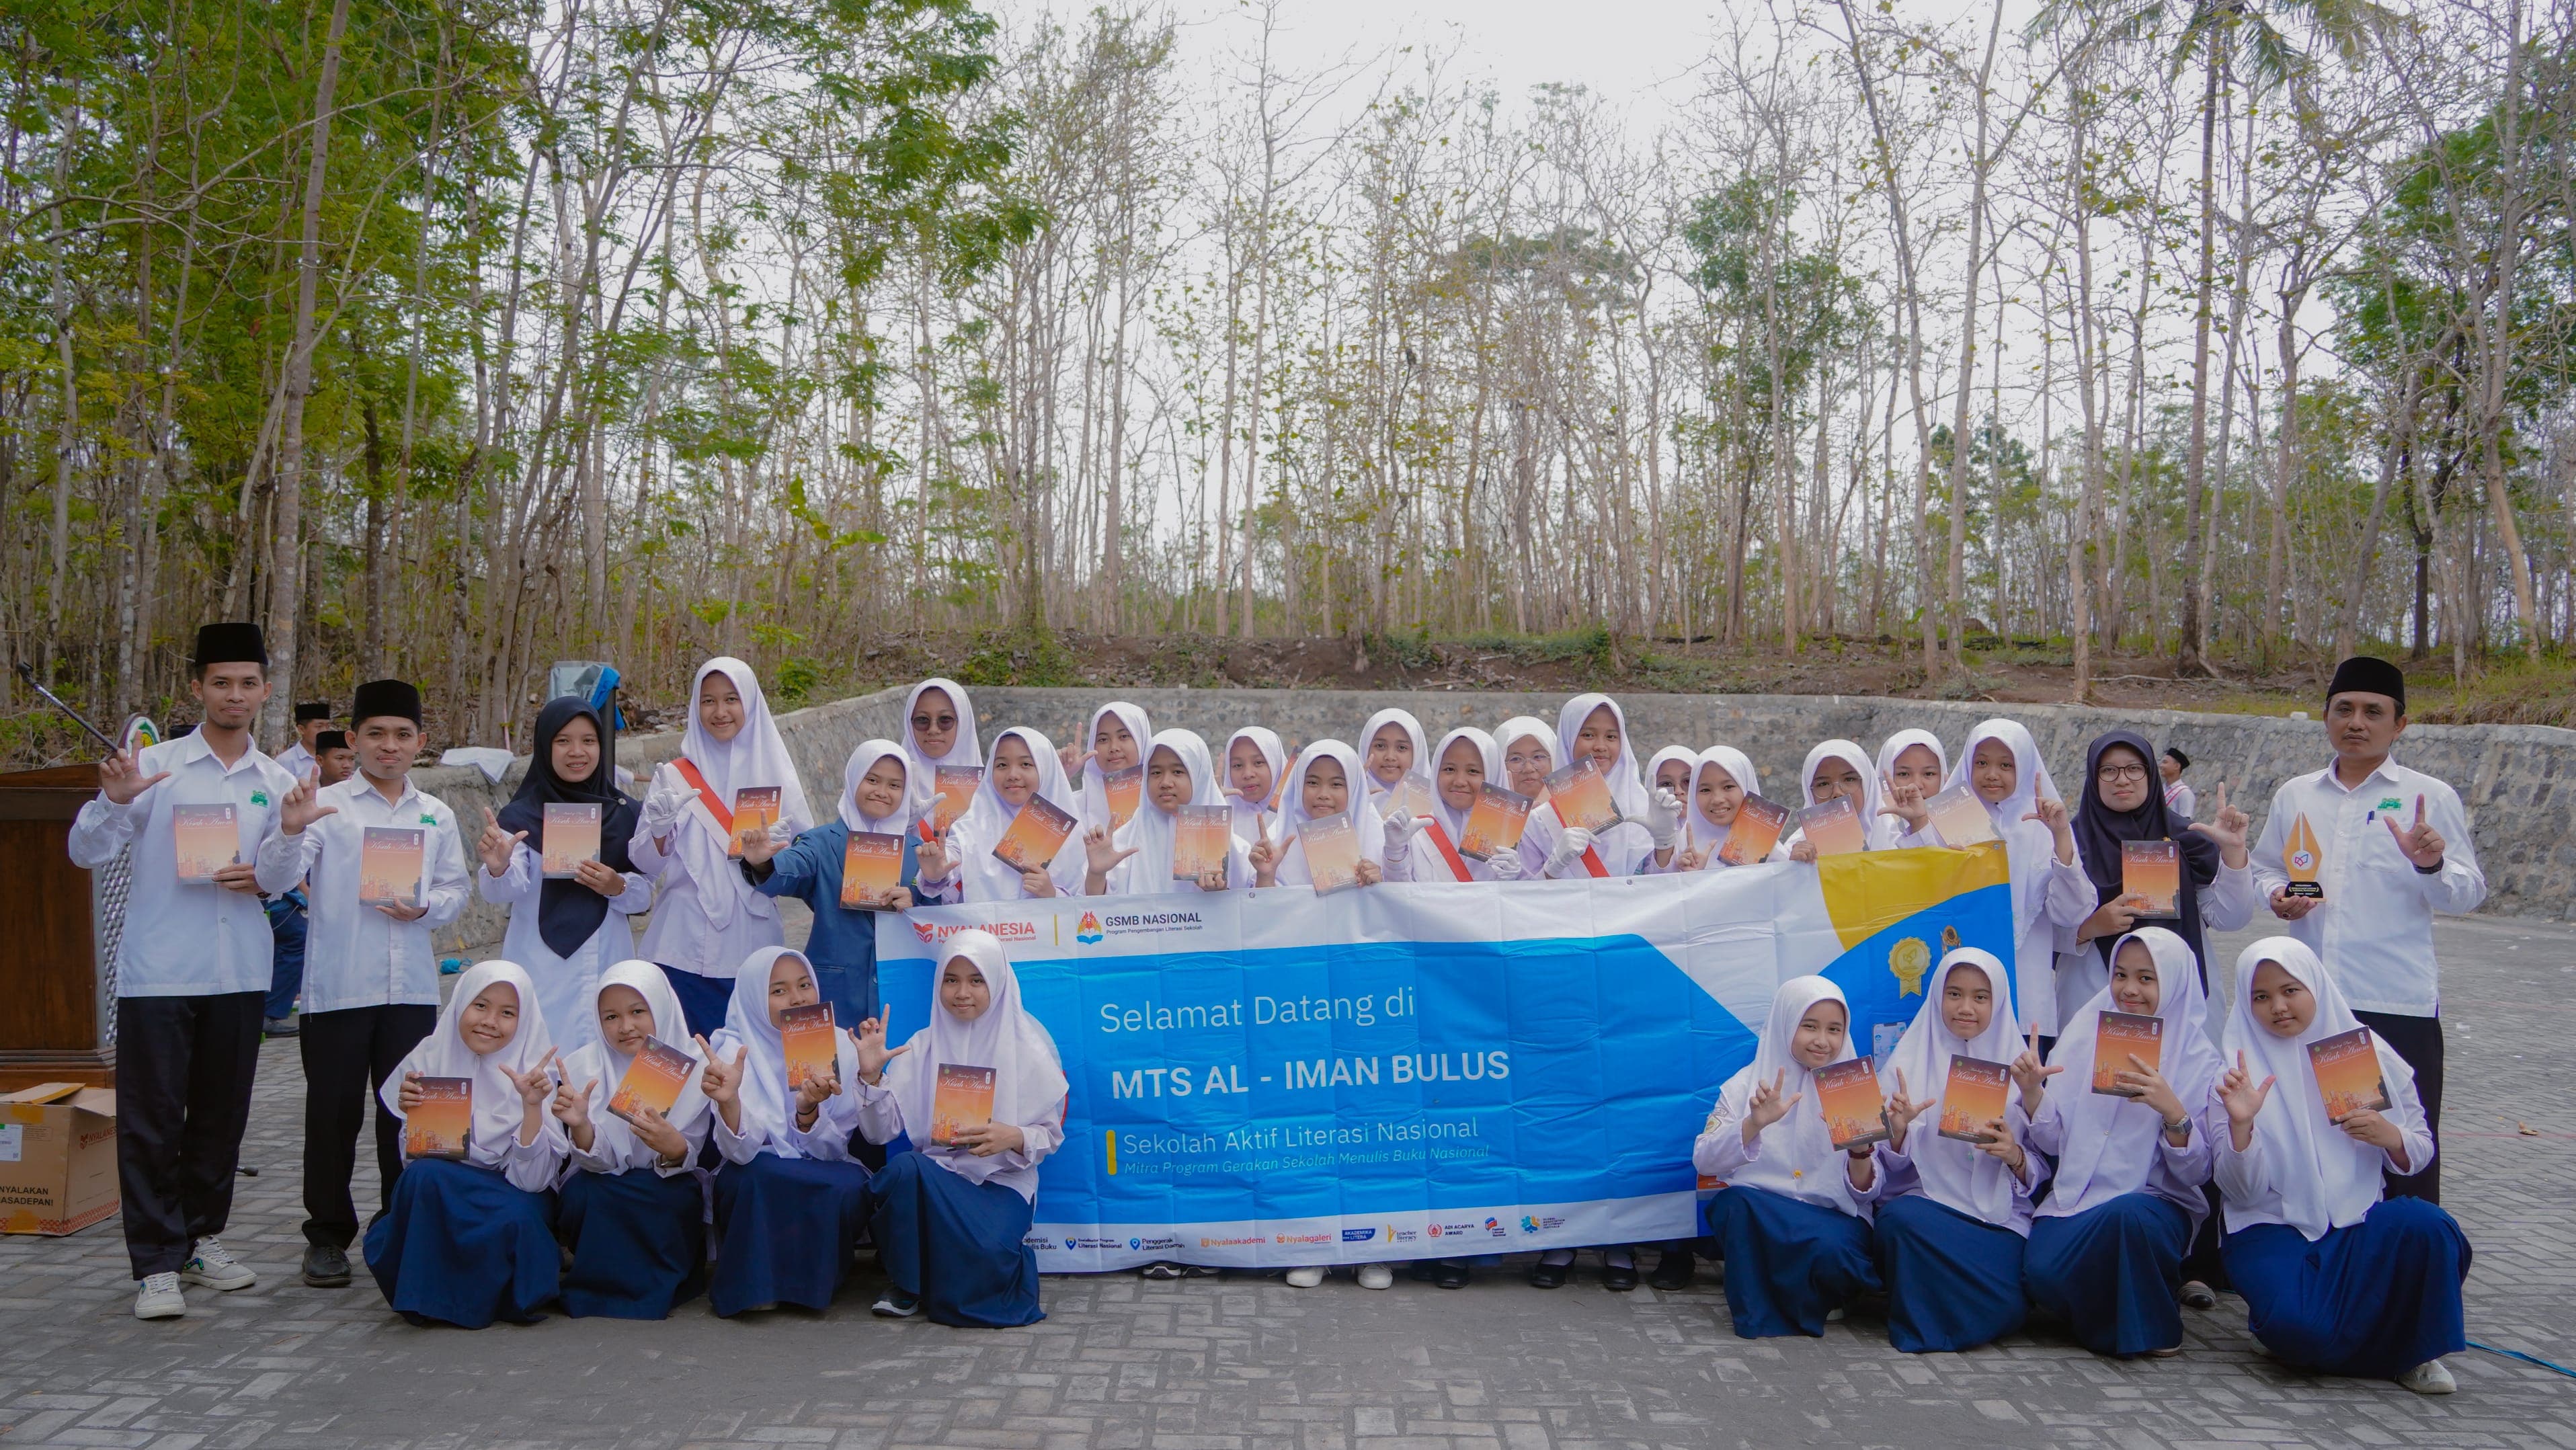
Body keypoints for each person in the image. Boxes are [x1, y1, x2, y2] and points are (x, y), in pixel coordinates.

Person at [68, 622, 302, 1321]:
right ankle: (154, 1265)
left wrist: (269, 860)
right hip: (161, 972)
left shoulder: (278, 780)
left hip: (239, 973)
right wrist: (112, 799)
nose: (235, 695)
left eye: (248, 684)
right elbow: (86, 851)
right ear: (197, 687)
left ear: (264, 691)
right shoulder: (154, 766)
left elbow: (287, 875)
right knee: (151, 1120)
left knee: (221, 1119)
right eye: (221, 683)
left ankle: (201, 1239)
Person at [259, 678, 473, 1291]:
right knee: (332, 1116)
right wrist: (291, 828)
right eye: (375, 734)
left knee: (407, 1114)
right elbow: (276, 879)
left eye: (403, 735)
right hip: (338, 989)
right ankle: (327, 1236)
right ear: (352, 740)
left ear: (421, 742)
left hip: (410, 991)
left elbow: (457, 891)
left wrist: (425, 906)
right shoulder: (329, 808)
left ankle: (402, 1223)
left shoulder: (436, 814)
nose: (389, 746)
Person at [2250, 656, 2483, 1204]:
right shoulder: (2296, 795)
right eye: (2344, 709)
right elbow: (2265, 868)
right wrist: (2275, 895)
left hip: (2392, 1002)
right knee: (2320, 1143)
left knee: (2400, 1147)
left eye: (2373, 712)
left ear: (2399, 724)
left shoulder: (2430, 797)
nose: (2357, 722)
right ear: (2327, 717)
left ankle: (2410, 1266)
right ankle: (2326, 1258)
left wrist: (2430, 863)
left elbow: (2468, 892)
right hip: (2311, 1005)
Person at [2210, 938, 2468, 1394]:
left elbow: (2419, 1148)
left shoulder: (2364, 1053)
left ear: (2317, 985)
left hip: (2357, 1219)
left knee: (2429, 1228)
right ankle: (2359, 1340)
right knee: (2299, 1329)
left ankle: (2413, 1352)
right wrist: (2242, 1127)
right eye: (2262, 996)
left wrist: (2391, 1137)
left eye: (2291, 990)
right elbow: (2243, 1192)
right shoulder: (2233, 1072)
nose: (2279, 1007)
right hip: (2273, 1227)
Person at [851, 929, 1070, 1326]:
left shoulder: (1030, 1047)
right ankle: (908, 1286)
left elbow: (1051, 1136)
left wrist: (1014, 1136)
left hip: (1002, 1184)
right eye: (951, 980)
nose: (962, 993)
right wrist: (870, 1078)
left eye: (976, 980)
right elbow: (879, 1134)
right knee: (903, 1170)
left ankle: (963, 1273)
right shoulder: (919, 1048)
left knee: (989, 1254)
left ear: (998, 983)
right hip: (938, 1179)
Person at [2021, 928, 2222, 1358]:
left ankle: (2153, 1325)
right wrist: (2034, 1093)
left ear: (2173, 981)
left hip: (2153, 1202)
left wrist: (2174, 1114)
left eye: (2147, 979)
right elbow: (2053, 1142)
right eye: (2122, 975)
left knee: (2129, 1220)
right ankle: (2108, 1312)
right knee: (2041, 1273)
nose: (2130, 990)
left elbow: (2196, 1172)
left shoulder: (2199, 1057)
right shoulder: (2085, 1033)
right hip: (2079, 1196)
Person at [365, 961, 568, 1328]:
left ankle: (488, 1297)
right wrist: (412, 1116)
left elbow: (533, 1183)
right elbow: (417, 1162)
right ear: (459, 1002)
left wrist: (532, 1108)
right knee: (421, 1179)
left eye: (507, 1013)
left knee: (518, 1216)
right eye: (480, 1005)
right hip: (448, 1183)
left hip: (512, 1189)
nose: (490, 1021)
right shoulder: (429, 1057)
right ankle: (428, 1298)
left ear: (523, 1022)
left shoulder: (536, 1074)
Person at [1695, 977, 1887, 1337]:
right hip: (1766, 1216)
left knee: (1835, 1252)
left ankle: (1825, 1295)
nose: (1822, 1041)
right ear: (1785, 1024)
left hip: (1829, 1222)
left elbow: (1868, 1194)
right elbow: (1704, 1161)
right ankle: (1765, 1307)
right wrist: (1753, 1124)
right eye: (1809, 1026)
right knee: (1734, 1204)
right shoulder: (1744, 1085)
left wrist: (1860, 1150)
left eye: (1834, 1029)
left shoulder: (1855, 1090)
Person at [1874, 947, 2044, 1353]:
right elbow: (1884, 1171)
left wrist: (2014, 1155)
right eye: (1954, 994)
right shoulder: (1905, 1066)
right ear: (1937, 997)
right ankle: (1927, 1325)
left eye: (1980, 997)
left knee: (2005, 1305)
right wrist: (1897, 1133)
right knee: (1899, 1220)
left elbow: (2045, 1164)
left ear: (1997, 1002)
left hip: (1999, 1214)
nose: (1966, 1008)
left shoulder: (2023, 1072)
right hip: (1929, 1205)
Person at [633, 658, 815, 1037]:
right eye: (708, 700)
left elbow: (804, 865)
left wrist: (771, 861)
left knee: (753, 1065)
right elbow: (644, 864)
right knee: (678, 1064)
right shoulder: (673, 775)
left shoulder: (776, 775)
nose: (720, 712)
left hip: (754, 948)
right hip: (681, 948)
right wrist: (659, 832)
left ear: (750, 702)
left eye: (731, 699)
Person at [702, 946, 873, 1316]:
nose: (797, 999)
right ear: (752, 996)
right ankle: (755, 1288)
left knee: (845, 1186)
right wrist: (729, 1102)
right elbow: (740, 1154)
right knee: (753, 1177)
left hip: (825, 1164)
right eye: (778, 990)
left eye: (804, 985)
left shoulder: (840, 1045)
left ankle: (811, 1287)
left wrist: (809, 1112)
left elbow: (833, 1151)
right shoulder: (730, 1053)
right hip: (757, 1167)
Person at [477, 697, 648, 1059]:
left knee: (604, 1074)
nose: (577, 752)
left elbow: (645, 895)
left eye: (588, 740)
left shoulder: (626, 813)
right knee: (537, 1066)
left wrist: (617, 887)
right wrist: (498, 866)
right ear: (544, 747)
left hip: (606, 959)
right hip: (539, 965)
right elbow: (507, 888)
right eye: (563, 741)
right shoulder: (521, 815)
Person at [551, 961, 712, 1319]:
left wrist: (673, 1148)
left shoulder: (698, 1066)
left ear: (661, 1007)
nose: (625, 1027)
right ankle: (596, 1287)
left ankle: (662, 1283)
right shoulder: (582, 1067)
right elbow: (598, 1162)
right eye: (610, 1017)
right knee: (583, 1193)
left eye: (638, 1011)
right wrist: (581, 1126)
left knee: (671, 1195)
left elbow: (691, 1152)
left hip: (665, 1179)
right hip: (603, 1178)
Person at [2048, 729, 2259, 996]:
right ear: (2093, 777)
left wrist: (2234, 852)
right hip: (2092, 994)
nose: (2122, 780)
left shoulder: (2187, 837)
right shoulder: (2067, 841)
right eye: (2109, 770)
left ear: (2150, 774)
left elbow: (2230, 919)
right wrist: (2089, 928)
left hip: (2177, 993)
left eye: (2134, 769)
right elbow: (2040, 930)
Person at [742, 740, 922, 1027]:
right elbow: (791, 869)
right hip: (835, 994)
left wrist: (917, 903)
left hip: (899, 990)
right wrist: (763, 862)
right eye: (872, 780)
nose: (882, 791)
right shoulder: (822, 842)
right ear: (852, 780)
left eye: (895, 785)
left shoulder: (918, 852)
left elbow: (937, 918)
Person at [1922, 719, 2082, 1037]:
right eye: (1981, 763)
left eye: (2005, 764)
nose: (1992, 774)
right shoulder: (1947, 819)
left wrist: (2061, 835)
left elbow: (2072, 913)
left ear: (2024, 767)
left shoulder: (2045, 827)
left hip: (2026, 988)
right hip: (1960, 994)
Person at [922, 726, 1088, 901]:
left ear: (1045, 768)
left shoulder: (1071, 834)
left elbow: (1084, 903)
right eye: (1002, 765)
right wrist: (935, 873)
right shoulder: (973, 826)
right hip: (985, 928)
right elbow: (949, 862)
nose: (1013, 775)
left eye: (1026, 764)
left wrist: (1053, 894)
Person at [264, 731, 352, 1038]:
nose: (347, 765)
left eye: (350, 758)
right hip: (285, 895)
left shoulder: (350, 803)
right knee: (297, 941)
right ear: (319, 760)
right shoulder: (304, 796)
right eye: (339, 758)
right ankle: (271, 1011)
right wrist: (309, 897)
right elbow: (291, 859)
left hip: (307, 896)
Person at [1086, 729, 1250, 895]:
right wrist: (1097, 874)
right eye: (1156, 773)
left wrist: (1220, 891)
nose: (1165, 782)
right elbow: (1095, 911)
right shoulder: (1122, 843)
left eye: (1178, 772)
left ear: (1199, 777)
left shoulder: (1232, 848)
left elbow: (1251, 907)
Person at [1249, 740, 1387, 897]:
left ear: (1354, 788)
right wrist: (1266, 876)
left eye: (1336, 784)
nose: (1323, 794)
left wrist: (1379, 884)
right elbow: (1265, 914)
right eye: (1313, 783)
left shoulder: (1381, 843)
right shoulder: (1276, 844)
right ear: (1299, 784)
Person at [1387, 727, 1516, 885]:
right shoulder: (1415, 832)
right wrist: (1395, 852)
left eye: (1473, 771)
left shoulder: (1512, 835)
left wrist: (1517, 880)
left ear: (1493, 775)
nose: (1460, 781)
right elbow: (1397, 900)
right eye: (1449, 769)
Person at [1554, 694, 1656, 875]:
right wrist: (1553, 867)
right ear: (1567, 739)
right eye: (1588, 735)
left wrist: (1666, 843)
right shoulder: (1544, 815)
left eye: (1611, 737)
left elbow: (1662, 883)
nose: (1600, 746)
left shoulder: (1645, 807)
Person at [1654, 747, 1781, 871]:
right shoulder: (1685, 847)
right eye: (1705, 790)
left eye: (1728, 787)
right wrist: (1693, 877)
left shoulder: (1772, 849)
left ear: (1746, 786)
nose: (1717, 799)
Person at [897, 677, 981, 820]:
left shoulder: (990, 789)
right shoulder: (887, 782)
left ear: (964, 723)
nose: (933, 730)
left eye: (945, 720)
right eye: (922, 720)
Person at [1786, 739, 1882, 862]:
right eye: (1824, 784)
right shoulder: (1796, 850)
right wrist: (1794, 868)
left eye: (1849, 779)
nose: (1837, 793)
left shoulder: (1898, 838)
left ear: (1867, 783)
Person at [1070, 701, 1152, 835]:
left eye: (1124, 736)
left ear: (1142, 739)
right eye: (1103, 739)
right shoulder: (1073, 805)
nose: (1114, 747)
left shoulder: (1164, 802)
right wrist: (1062, 775)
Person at [1871, 729, 1949, 850]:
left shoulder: (1964, 825)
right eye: (1903, 774)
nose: (1917, 785)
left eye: (1929, 774)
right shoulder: (1871, 833)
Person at [1359, 707, 1433, 813]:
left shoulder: (1439, 803)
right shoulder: (1346, 796)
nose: (1390, 757)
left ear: (1417, 753)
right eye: (1380, 746)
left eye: (1402, 748)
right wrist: (1355, 803)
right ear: (1366, 748)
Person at [1221, 726, 1287, 844]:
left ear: (1276, 765)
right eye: (1237, 765)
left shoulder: (1299, 816)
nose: (1248, 774)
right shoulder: (1218, 818)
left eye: (1258, 763)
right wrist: (1211, 808)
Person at [274, 699, 335, 779]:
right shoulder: (285, 761)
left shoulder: (333, 757)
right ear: (301, 729)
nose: (325, 731)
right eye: (319, 726)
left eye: (327, 726)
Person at [2160, 747, 2196, 820]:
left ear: (2177, 766)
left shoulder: (2185, 793)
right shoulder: (2161, 789)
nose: (2161, 766)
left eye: (2165, 762)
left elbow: (2185, 822)